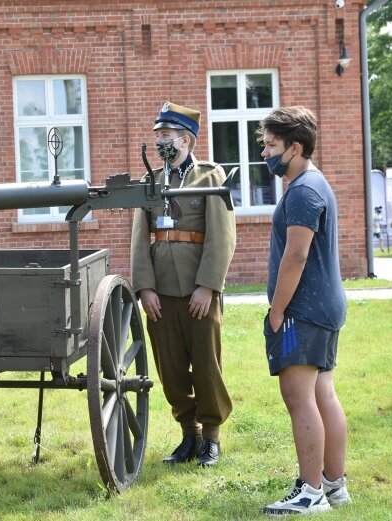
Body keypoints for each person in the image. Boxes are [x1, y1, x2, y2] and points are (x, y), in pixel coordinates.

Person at [130, 102, 236, 468]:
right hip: (161, 294)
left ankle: (210, 437)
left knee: (206, 365)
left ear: (187, 140)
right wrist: (144, 288)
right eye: (157, 135)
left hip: (197, 292)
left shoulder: (210, 177)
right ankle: (188, 436)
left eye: (166, 135)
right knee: (171, 369)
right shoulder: (150, 182)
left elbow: (222, 237)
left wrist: (208, 286)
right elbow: (139, 238)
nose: (159, 141)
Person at [258, 106, 350, 515]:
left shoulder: (302, 191)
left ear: (296, 147)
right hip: (325, 307)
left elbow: (295, 257)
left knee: (300, 399)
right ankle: (334, 486)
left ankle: (311, 491)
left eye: (271, 145)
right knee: (323, 394)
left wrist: (277, 312)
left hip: (303, 312)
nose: (265, 153)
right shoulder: (313, 183)